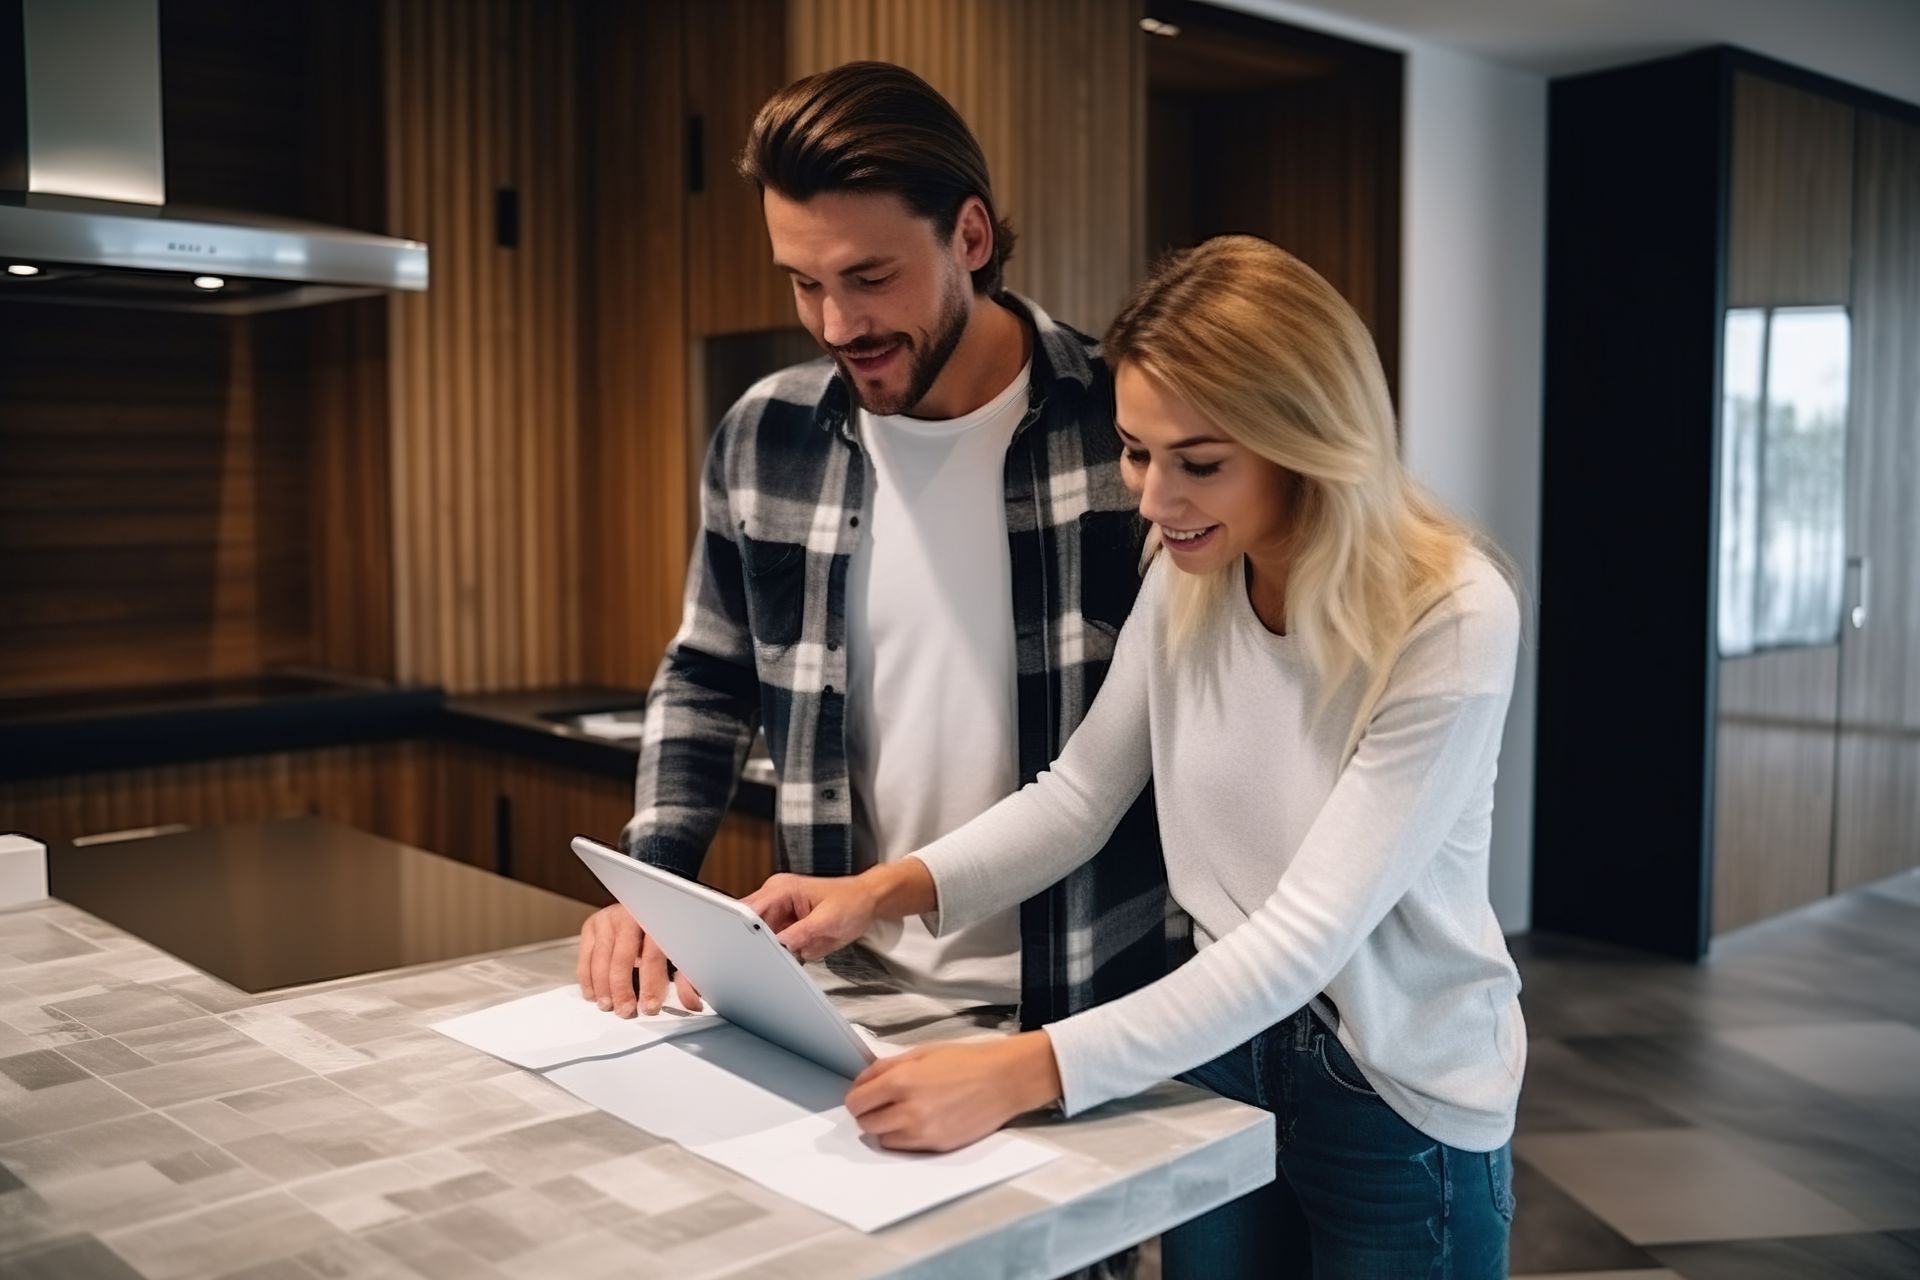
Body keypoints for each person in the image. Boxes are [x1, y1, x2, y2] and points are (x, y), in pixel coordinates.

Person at [747, 236, 1527, 1277]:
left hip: (1396, 1086)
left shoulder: (1452, 611)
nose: (1153, 500)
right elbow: (1078, 796)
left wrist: (1019, 1071)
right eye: (1134, 450)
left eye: (1198, 462)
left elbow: (1306, 936)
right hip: (1217, 1047)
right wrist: (875, 891)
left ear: (1308, 439)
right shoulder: (1190, 567)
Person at [577, 61, 1182, 1039]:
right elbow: (705, 677)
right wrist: (655, 880)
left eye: (869, 276)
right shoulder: (763, 433)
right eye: (804, 283)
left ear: (971, 237)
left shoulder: (1126, 433)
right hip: (845, 1001)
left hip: (1089, 1002)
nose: (836, 324)